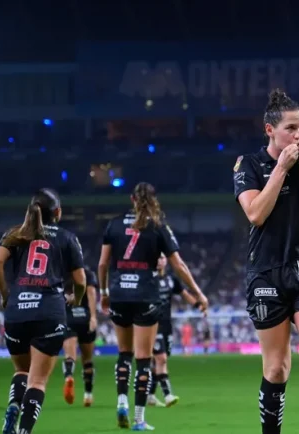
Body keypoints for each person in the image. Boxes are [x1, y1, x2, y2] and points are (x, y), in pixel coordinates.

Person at [233, 89, 299, 434]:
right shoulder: (248, 165)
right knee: (277, 368)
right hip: (265, 274)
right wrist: (281, 169)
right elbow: (255, 213)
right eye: (291, 128)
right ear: (270, 130)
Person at [98, 182, 209, 431]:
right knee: (144, 359)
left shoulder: (113, 224)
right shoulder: (158, 226)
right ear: (153, 200)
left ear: (131, 199)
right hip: (145, 294)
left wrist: (104, 292)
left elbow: (103, 264)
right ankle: (138, 419)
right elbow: (179, 265)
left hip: (118, 293)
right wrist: (198, 292)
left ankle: (121, 402)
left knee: (124, 353)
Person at [0, 188, 87, 434]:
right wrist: (76, 299)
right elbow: (81, 281)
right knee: (38, 381)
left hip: (17, 310)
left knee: (21, 371)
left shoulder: (16, 234)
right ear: (58, 212)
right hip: (49, 312)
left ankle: (14, 404)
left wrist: (5, 294)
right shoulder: (66, 238)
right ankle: (24, 431)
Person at [146, 253, 201, 408]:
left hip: (166, 326)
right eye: (157, 257)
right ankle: (167, 394)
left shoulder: (171, 280)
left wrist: (198, 305)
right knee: (161, 359)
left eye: (162, 257)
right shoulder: (148, 279)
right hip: (152, 324)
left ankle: (150, 395)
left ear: (166, 261)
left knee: (159, 361)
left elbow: (184, 294)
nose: (159, 260)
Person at [61, 267, 100, 407]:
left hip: (68, 317)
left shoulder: (60, 272)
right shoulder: (87, 273)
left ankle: (69, 377)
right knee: (87, 358)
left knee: (69, 354)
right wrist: (94, 317)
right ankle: (88, 395)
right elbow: (91, 293)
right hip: (85, 316)